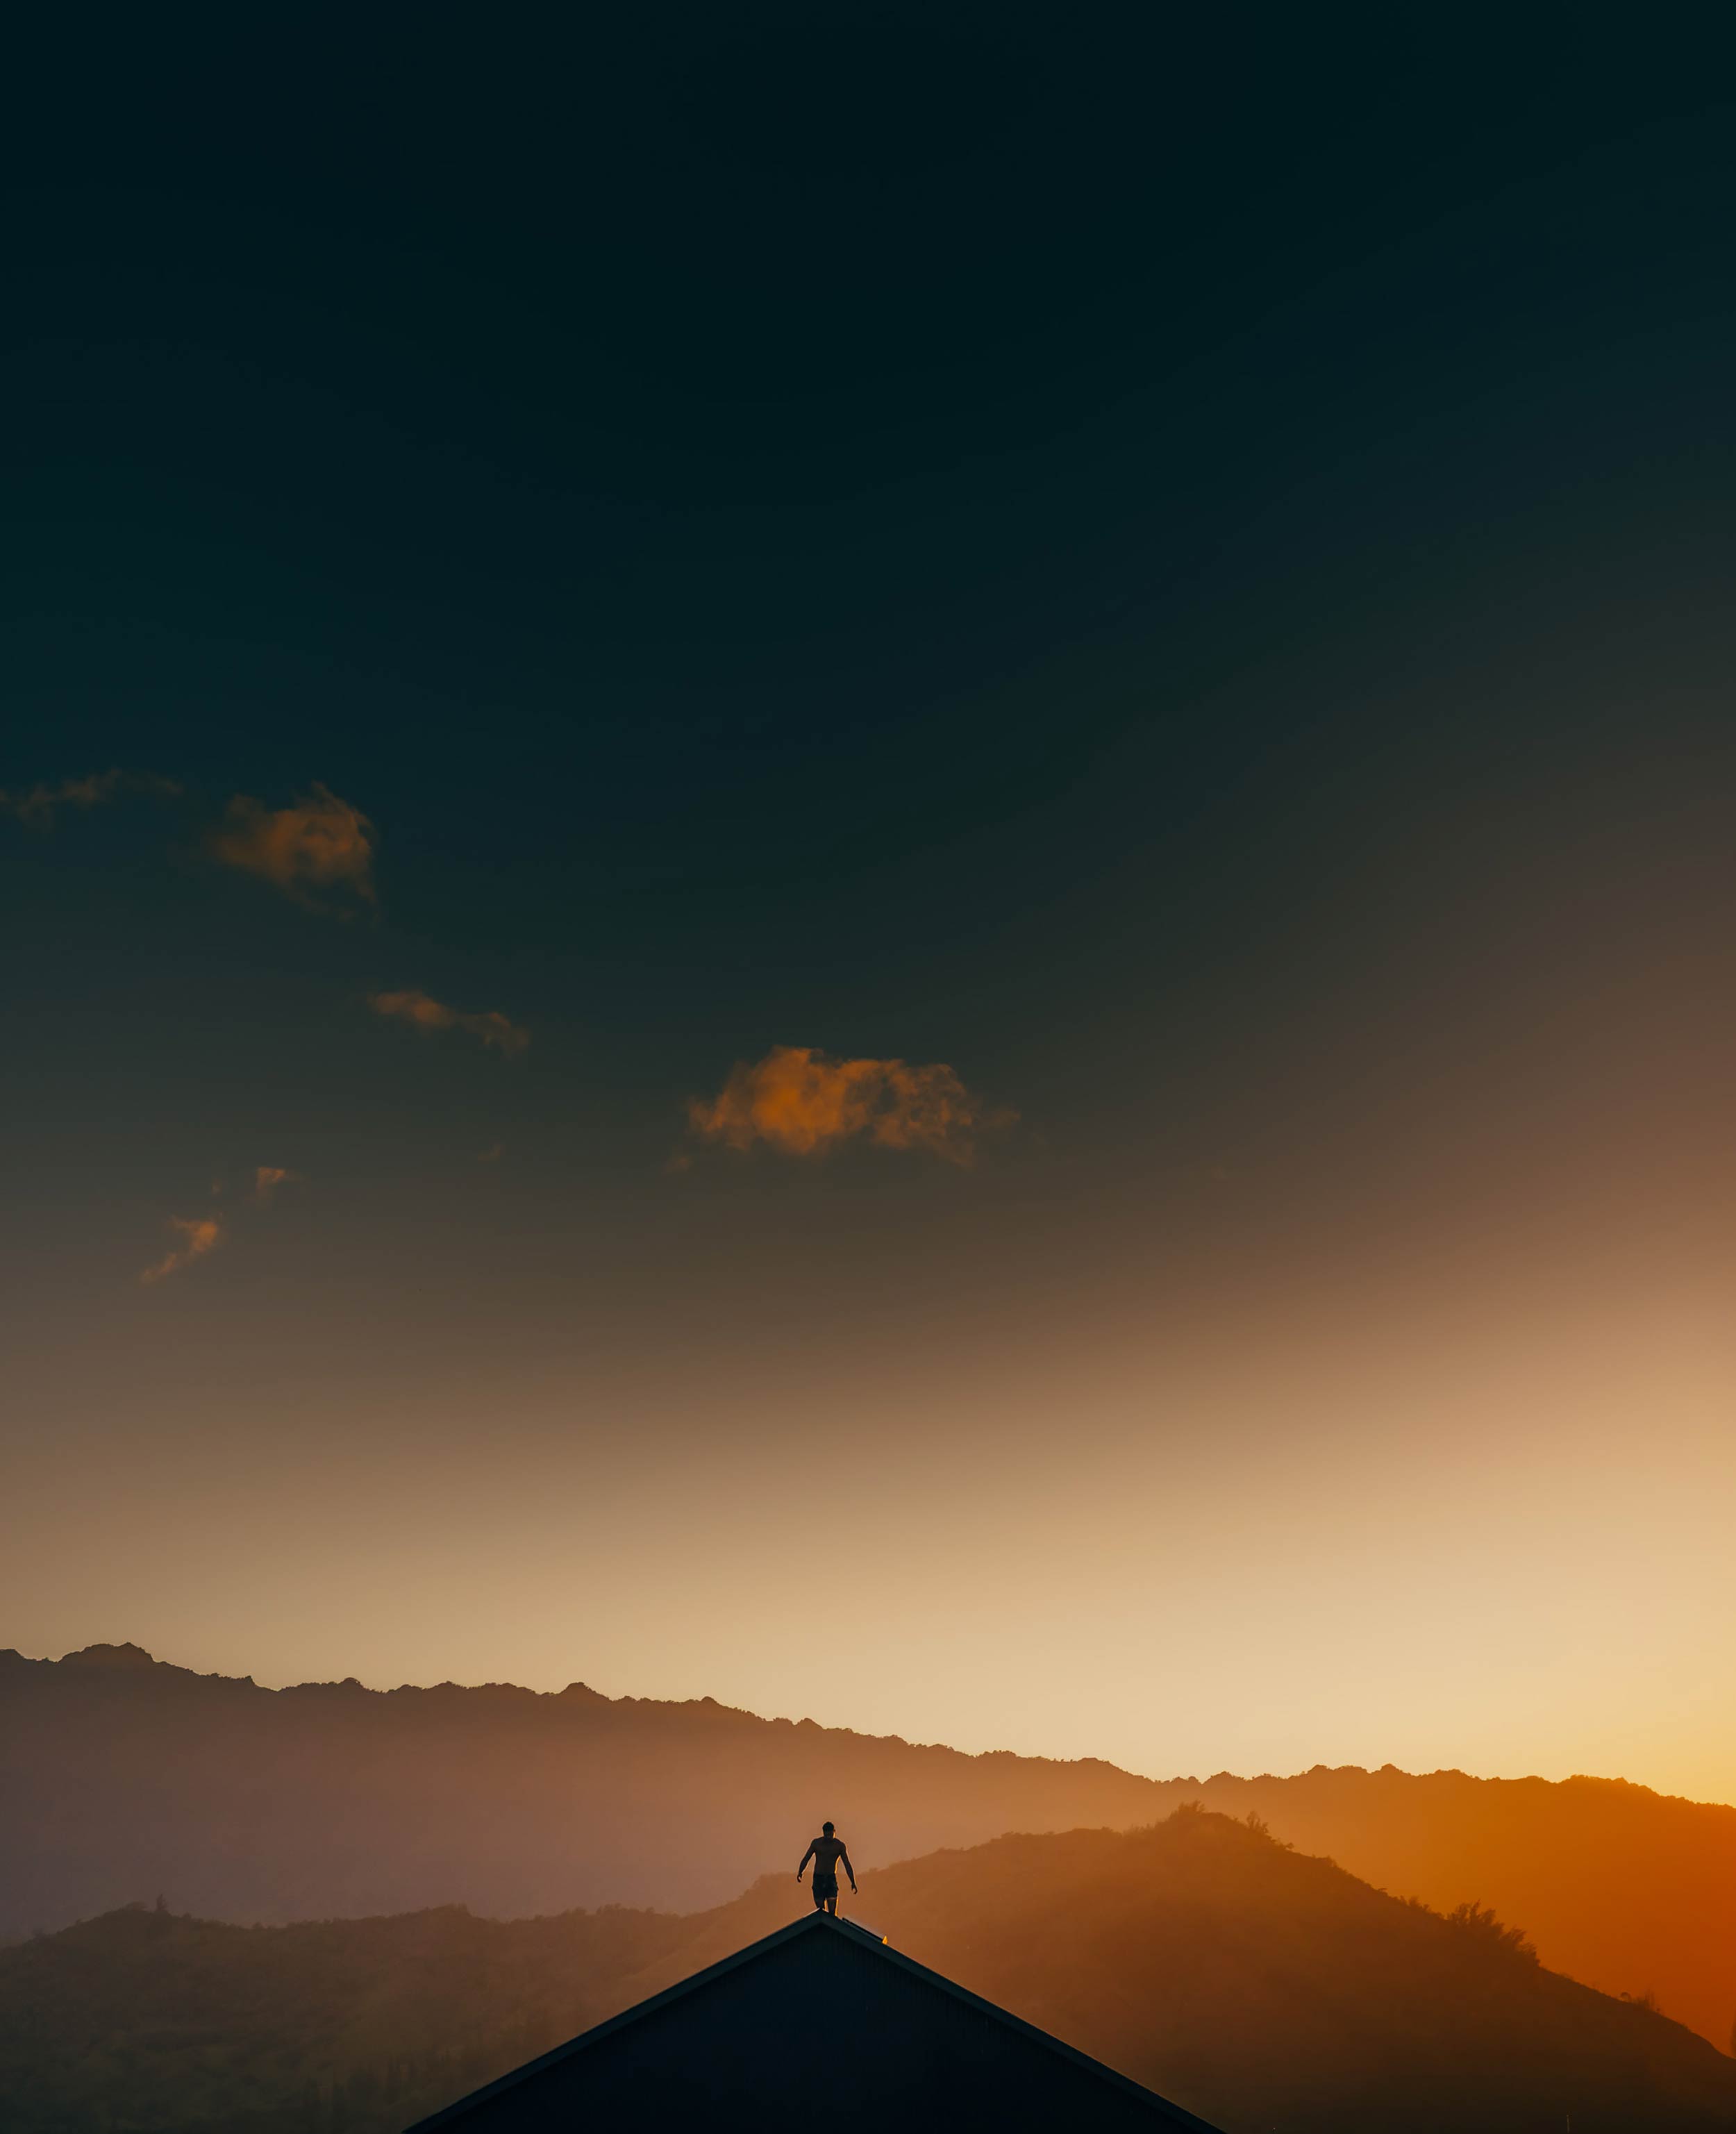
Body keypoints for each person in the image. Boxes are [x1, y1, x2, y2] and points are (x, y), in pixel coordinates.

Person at [796, 1822, 856, 1915]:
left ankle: (832, 1928)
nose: (829, 1837)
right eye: (827, 1834)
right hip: (818, 1878)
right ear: (823, 1833)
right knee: (820, 1911)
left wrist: (853, 1882)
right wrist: (800, 1872)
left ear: (834, 1832)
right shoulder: (817, 1844)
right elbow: (806, 1858)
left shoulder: (839, 1846)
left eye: (831, 1834)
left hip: (830, 1878)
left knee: (832, 1913)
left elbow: (847, 1864)